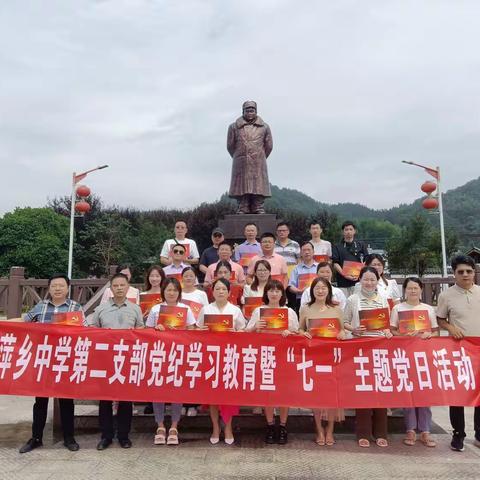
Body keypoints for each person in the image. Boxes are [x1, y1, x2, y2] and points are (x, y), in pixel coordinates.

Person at [19, 274, 84, 454]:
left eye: (61, 285)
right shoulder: (41, 307)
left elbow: (86, 333)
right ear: (49, 288)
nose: (57, 288)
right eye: (54, 285)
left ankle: (69, 438)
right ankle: (36, 438)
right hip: (44, 360)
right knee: (40, 401)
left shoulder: (75, 307)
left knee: (66, 401)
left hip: (65, 360)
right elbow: (23, 324)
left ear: (67, 288)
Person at [88, 273, 144, 450]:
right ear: (110, 288)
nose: (119, 288)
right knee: (105, 399)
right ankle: (106, 436)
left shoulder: (135, 308)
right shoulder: (101, 309)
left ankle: (124, 436)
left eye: (122, 285)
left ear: (128, 287)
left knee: (126, 399)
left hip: (127, 359)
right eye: (116, 285)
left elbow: (141, 329)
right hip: (105, 360)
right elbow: (93, 330)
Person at [343, 266, 392, 448]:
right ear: (360, 280)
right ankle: (363, 433)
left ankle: (381, 433)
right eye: (366, 279)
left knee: (380, 390)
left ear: (377, 280)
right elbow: (345, 322)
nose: (369, 282)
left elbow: (387, 325)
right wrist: (354, 329)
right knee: (363, 390)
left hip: (380, 349)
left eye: (373, 279)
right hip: (360, 349)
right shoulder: (353, 300)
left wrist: (387, 332)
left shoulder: (383, 300)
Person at [245, 280, 298, 444]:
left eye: (277, 291)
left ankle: (282, 425)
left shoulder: (289, 312)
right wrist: (255, 328)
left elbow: (298, 334)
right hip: (265, 355)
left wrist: (290, 332)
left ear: (282, 294)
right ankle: (269, 425)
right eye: (271, 290)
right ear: (266, 293)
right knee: (267, 391)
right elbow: (245, 334)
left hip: (283, 356)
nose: (274, 293)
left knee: (283, 392)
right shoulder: (258, 311)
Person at [436, 254, 480, 452]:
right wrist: (450, 328)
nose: (465, 275)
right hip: (459, 351)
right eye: (461, 272)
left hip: (479, 350)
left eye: (469, 271)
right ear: (454, 274)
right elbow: (440, 319)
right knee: (458, 394)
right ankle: (458, 434)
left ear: (474, 273)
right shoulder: (447, 295)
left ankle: (479, 433)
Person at [146, 278, 196, 445]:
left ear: (179, 292)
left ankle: (174, 425)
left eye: (175, 290)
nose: (172, 293)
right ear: (163, 291)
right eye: (168, 290)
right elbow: (147, 333)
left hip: (179, 354)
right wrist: (156, 329)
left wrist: (180, 331)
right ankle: (160, 425)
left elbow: (192, 332)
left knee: (176, 390)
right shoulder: (155, 309)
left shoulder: (185, 309)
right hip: (159, 354)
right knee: (158, 389)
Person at [390, 277, 439, 448]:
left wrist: (429, 335)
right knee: (408, 393)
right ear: (404, 290)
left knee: (425, 393)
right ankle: (410, 429)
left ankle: (425, 431)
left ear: (420, 290)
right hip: (405, 355)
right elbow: (392, 331)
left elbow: (435, 332)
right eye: (409, 288)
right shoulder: (398, 308)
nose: (412, 291)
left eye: (415, 288)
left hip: (424, 357)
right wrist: (402, 336)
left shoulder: (427, 309)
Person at [197, 278, 246, 444]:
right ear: (212, 291)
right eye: (217, 289)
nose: (220, 292)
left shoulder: (235, 310)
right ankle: (215, 427)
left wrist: (236, 332)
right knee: (213, 394)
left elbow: (243, 331)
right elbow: (197, 330)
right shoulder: (206, 309)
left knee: (229, 394)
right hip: (211, 356)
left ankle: (228, 426)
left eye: (223, 289)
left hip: (229, 355)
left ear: (229, 292)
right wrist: (201, 330)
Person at [298, 277, 346, 446]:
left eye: (323, 288)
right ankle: (319, 430)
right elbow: (300, 329)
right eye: (317, 288)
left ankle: (330, 430)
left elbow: (343, 330)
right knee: (317, 396)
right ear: (312, 291)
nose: (320, 291)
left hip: (332, 356)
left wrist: (342, 335)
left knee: (332, 395)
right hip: (314, 356)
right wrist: (303, 333)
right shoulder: (306, 309)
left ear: (329, 290)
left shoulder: (337, 309)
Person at [227, 100, 273, 214]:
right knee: (241, 185)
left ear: (256, 111)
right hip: (241, 161)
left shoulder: (264, 127)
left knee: (258, 184)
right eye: (247, 110)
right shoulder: (234, 127)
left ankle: (258, 206)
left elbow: (269, 146)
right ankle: (243, 206)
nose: (250, 112)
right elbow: (230, 146)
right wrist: (240, 155)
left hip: (258, 161)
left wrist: (259, 156)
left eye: (252, 110)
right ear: (243, 111)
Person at [141, 264, 165, 414]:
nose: (155, 279)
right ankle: (151, 401)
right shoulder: (143, 295)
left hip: (167, 337)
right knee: (151, 368)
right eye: (152, 276)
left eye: (157, 276)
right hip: (149, 335)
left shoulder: (167, 294)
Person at [332, 221, 369, 297]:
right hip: (343, 283)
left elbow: (366, 259)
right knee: (344, 305)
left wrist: (360, 273)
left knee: (357, 305)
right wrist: (345, 275)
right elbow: (335, 263)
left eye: (350, 229)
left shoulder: (361, 245)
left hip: (358, 281)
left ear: (354, 231)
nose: (348, 231)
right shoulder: (337, 246)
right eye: (346, 229)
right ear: (343, 232)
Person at [288, 242, 318, 313]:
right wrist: (299, 291)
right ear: (301, 253)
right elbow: (290, 286)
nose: (307, 252)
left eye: (309, 250)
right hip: (301, 299)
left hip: (318, 299)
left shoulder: (319, 267)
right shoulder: (296, 268)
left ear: (313, 252)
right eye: (304, 250)